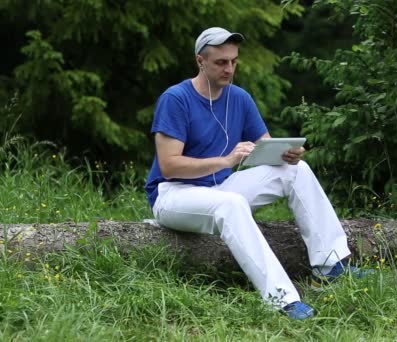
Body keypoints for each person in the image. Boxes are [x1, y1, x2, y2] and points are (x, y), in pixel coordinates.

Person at [145, 27, 370, 320]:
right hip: (173, 195)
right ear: (200, 60)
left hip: (219, 188)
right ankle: (281, 299)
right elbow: (169, 165)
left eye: (234, 61)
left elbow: (265, 148)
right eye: (221, 63)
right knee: (232, 204)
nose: (229, 69)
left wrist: (285, 154)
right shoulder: (176, 99)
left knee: (296, 171)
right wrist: (225, 161)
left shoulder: (239, 98)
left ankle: (330, 265)